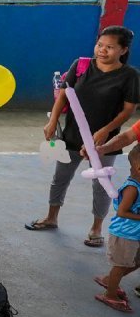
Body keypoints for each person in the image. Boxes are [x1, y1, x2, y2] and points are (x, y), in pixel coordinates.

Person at [27, 26, 139, 247]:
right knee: (60, 178)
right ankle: (51, 217)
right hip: (71, 136)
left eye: (110, 47)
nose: (102, 50)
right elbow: (63, 96)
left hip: (104, 143)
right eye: (100, 45)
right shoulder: (81, 65)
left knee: (101, 184)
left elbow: (128, 110)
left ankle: (97, 228)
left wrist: (106, 130)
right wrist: (52, 121)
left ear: (123, 50)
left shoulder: (130, 76)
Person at [94, 145, 140, 312]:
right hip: (125, 234)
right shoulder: (132, 188)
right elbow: (122, 211)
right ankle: (110, 294)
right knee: (120, 265)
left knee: (136, 262)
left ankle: (108, 280)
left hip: (135, 234)